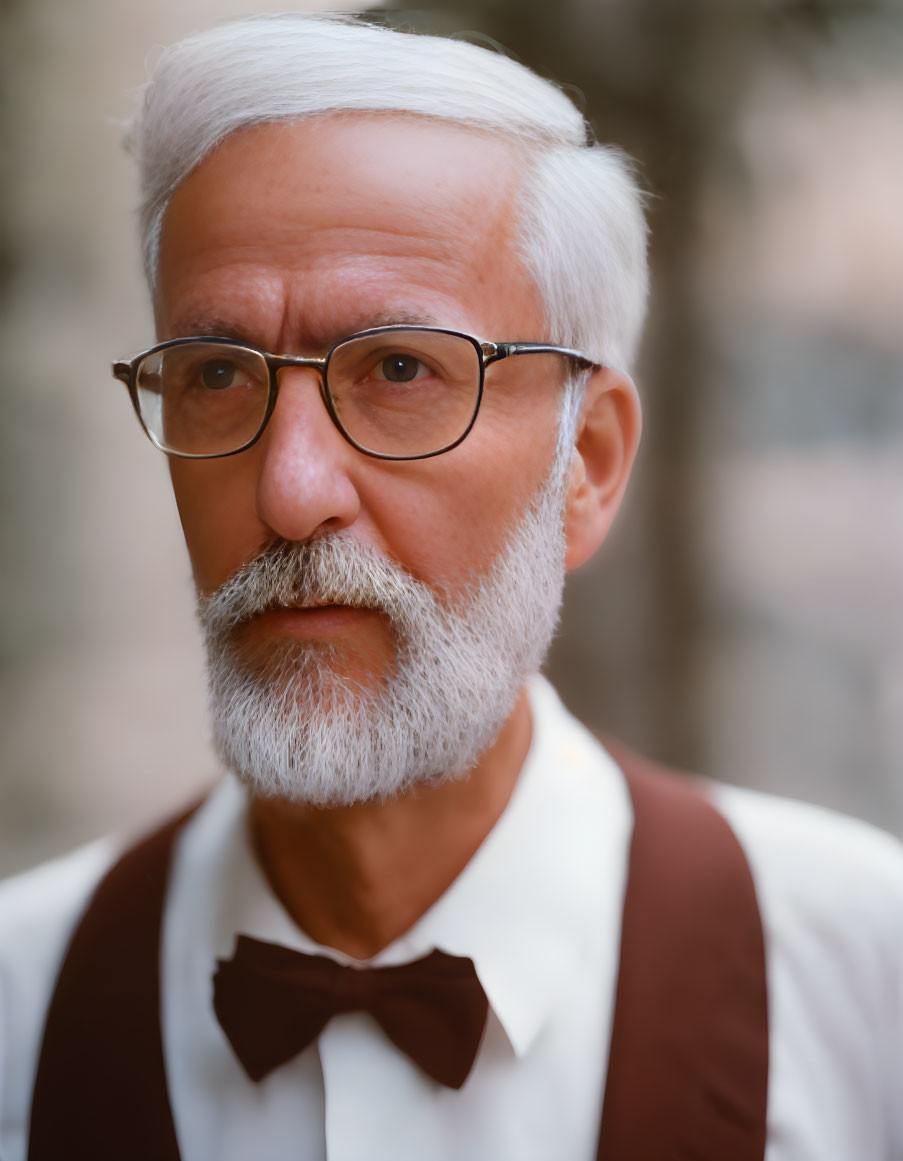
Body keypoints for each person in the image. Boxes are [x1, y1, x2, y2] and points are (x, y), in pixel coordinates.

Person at [2, 14, 902, 1161]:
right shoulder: (20, 1011)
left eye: (399, 370)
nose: (291, 493)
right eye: (219, 374)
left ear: (588, 464)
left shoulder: (865, 986)